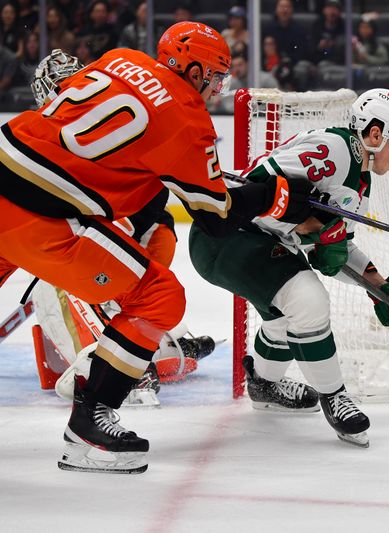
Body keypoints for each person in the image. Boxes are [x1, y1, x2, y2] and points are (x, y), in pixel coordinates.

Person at [0, 21, 315, 474]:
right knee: (160, 296)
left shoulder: (121, 58)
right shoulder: (187, 119)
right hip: (41, 215)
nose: (214, 89)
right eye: (214, 77)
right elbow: (218, 218)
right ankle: (89, 431)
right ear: (191, 69)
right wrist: (275, 196)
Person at [188, 88, 389, 448]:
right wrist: (309, 224)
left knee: (286, 317)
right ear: (376, 134)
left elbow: (336, 247)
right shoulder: (335, 150)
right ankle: (335, 396)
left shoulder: (359, 179)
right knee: (308, 301)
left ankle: (264, 385)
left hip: (256, 242)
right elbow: (258, 190)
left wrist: (381, 289)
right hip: (227, 235)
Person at [27, 49, 218, 407]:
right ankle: (167, 348)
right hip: (145, 246)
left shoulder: (70, 136)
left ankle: (115, 369)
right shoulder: (111, 115)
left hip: (133, 242)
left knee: (52, 288)